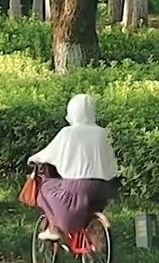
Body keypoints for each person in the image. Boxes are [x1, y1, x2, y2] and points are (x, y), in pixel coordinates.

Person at [27, 93, 120, 241]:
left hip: (77, 187)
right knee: (90, 212)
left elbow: (49, 153)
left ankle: (53, 229)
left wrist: (33, 159)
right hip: (102, 187)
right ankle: (94, 240)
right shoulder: (102, 133)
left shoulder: (68, 133)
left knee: (44, 189)